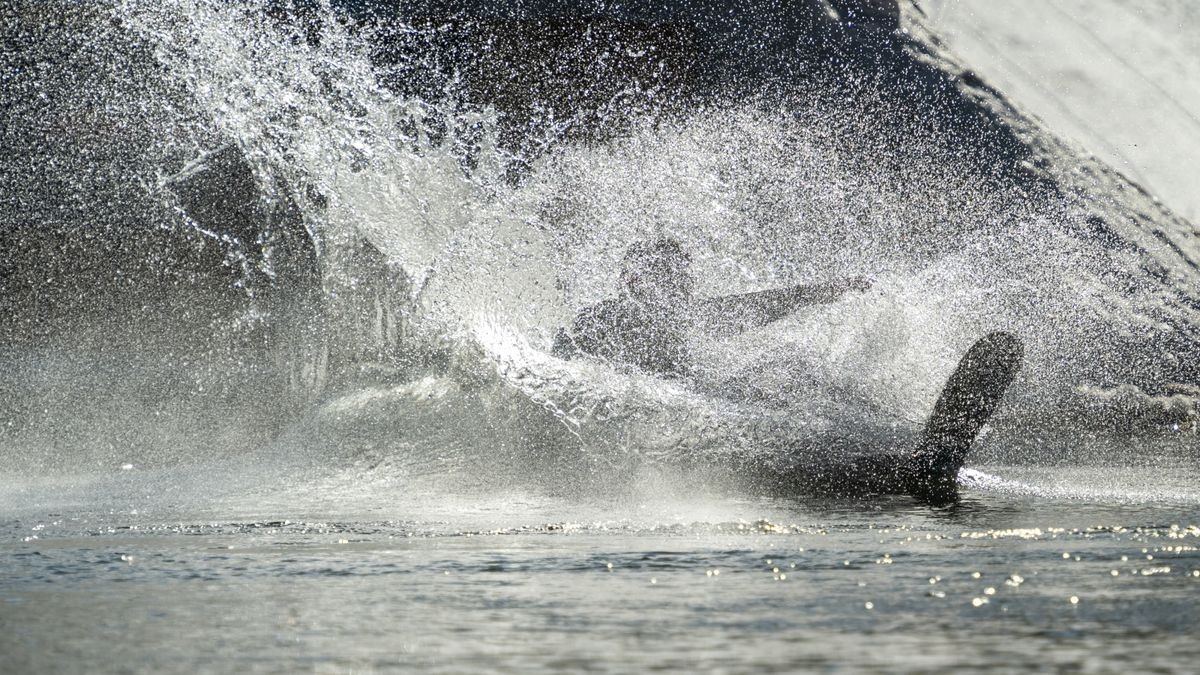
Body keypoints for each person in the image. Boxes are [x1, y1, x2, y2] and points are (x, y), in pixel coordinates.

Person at [552, 238, 872, 377]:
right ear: (630, 282)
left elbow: (765, 305)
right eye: (662, 274)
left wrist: (828, 290)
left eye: (679, 276)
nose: (678, 284)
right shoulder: (597, 320)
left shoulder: (690, 318)